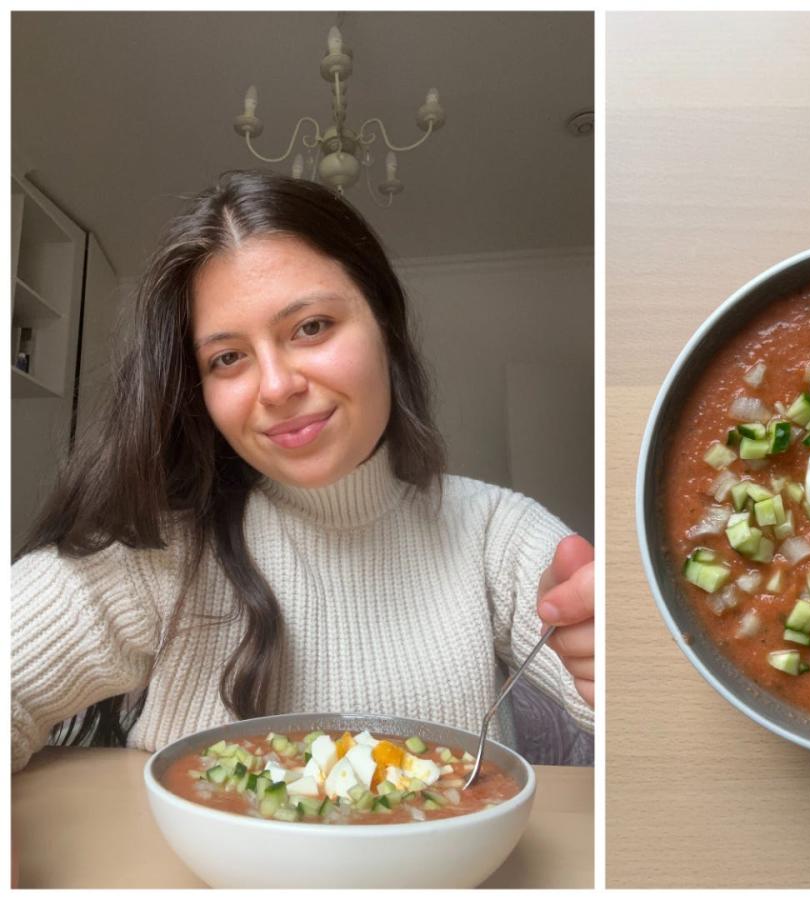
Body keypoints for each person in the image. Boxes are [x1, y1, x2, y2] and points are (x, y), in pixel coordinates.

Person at [10, 170, 595, 780]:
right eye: (228, 358)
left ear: (385, 328)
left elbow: (650, 707)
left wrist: (620, 665)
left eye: (311, 327)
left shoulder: (494, 532)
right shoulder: (161, 551)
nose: (277, 386)